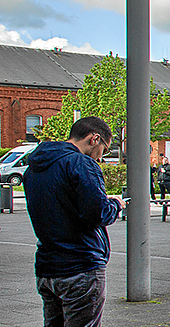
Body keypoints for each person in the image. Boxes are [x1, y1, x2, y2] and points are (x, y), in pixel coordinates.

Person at [26, 117, 122, 327]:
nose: (101, 159)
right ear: (94, 139)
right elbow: (97, 214)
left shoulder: (35, 167)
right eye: (104, 151)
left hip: (47, 266)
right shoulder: (81, 164)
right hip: (80, 266)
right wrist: (116, 205)